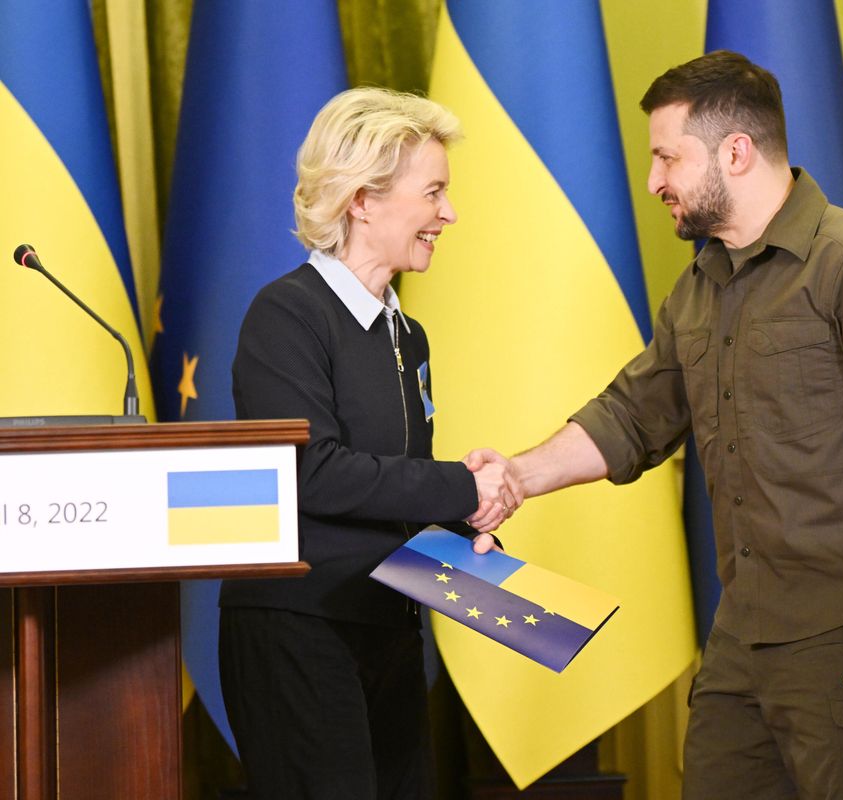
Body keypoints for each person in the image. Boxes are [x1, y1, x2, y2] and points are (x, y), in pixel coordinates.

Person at [470, 51, 843, 798]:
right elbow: (631, 416)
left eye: (667, 157)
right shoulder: (698, 289)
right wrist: (513, 479)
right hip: (741, 638)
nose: (654, 181)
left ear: (735, 152)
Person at [219, 86, 520, 800]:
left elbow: (397, 486)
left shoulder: (406, 335)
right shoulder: (286, 315)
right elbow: (313, 472)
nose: (449, 214)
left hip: (390, 627)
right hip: (300, 631)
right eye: (434, 192)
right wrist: (459, 485)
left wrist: (472, 523)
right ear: (362, 199)